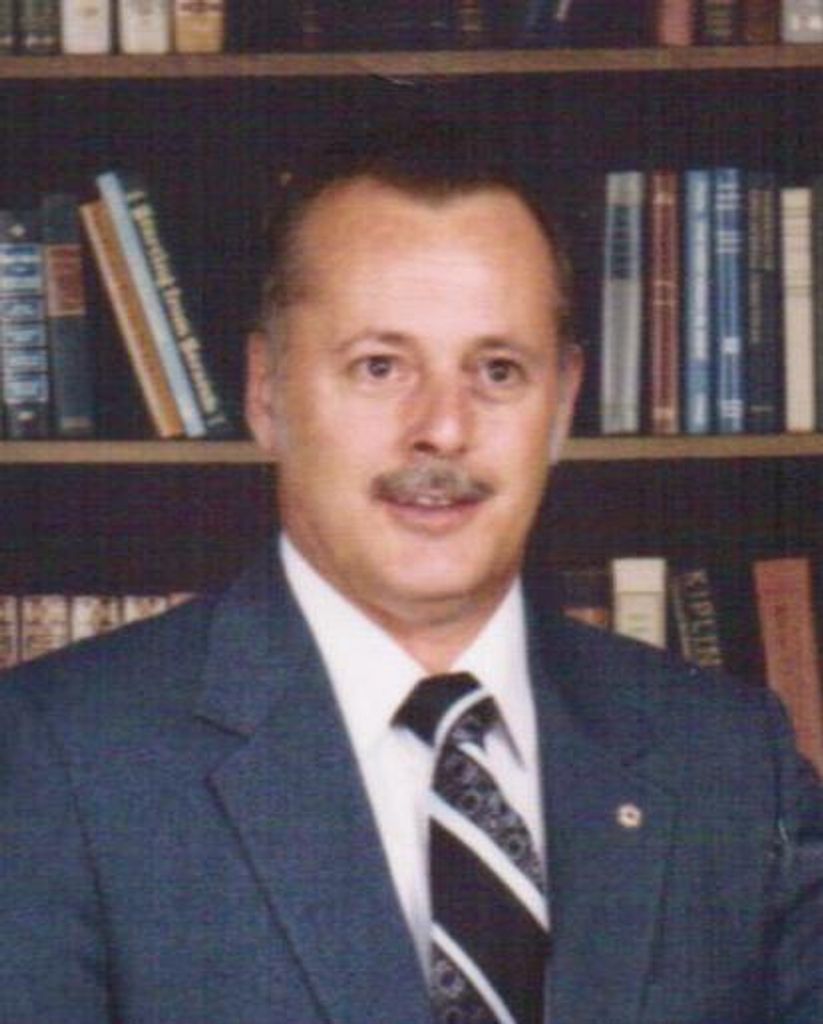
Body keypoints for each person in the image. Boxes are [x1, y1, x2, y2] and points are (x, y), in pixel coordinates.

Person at [1, 119, 821, 1024]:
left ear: (562, 406)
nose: (443, 428)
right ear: (266, 392)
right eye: (380, 366)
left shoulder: (728, 760)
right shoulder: (58, 760)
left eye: (497, 370)